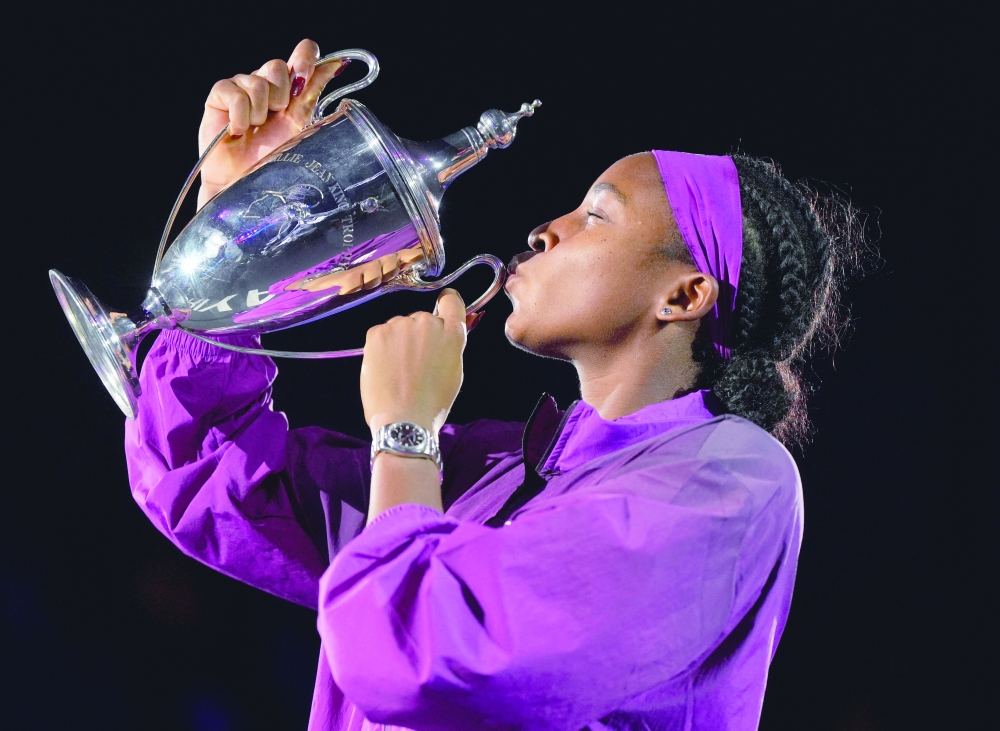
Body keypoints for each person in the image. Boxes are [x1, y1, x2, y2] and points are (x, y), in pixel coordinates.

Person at [125, 40, 860, 730]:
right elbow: (207, 476)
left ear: (685, 293)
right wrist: (241, 231)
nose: (547, 228)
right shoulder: (496, 471)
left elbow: (420, 659)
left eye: (597, 215)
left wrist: (404, 433)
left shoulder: (730, 478)